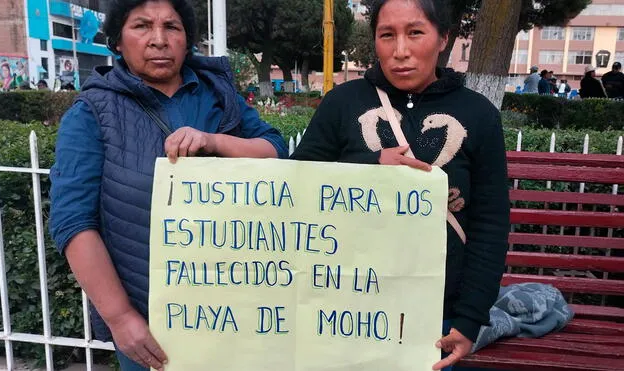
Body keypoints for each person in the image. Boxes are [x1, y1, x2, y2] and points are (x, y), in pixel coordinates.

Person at [48, 0, 288, 370]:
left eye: (172, 27)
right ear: (116, 41)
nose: (159, 40)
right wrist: (120, 317)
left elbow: (274, 151)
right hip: (152, 326)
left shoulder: (218, 95)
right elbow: (74, 222)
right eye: (141, 26)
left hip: (238, 312)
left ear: (188, 40)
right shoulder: (92, 113)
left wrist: (214, 141)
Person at [290, 0, 510, 370]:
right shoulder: (342, 103)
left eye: (416, 33)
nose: (401, 51)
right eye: (386, 35)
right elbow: (297, 185)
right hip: (342, 310)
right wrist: (371, 165)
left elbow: (490, 224)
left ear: (443, 38)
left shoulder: (479, 114)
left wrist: (469, 318)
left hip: (436, 317)